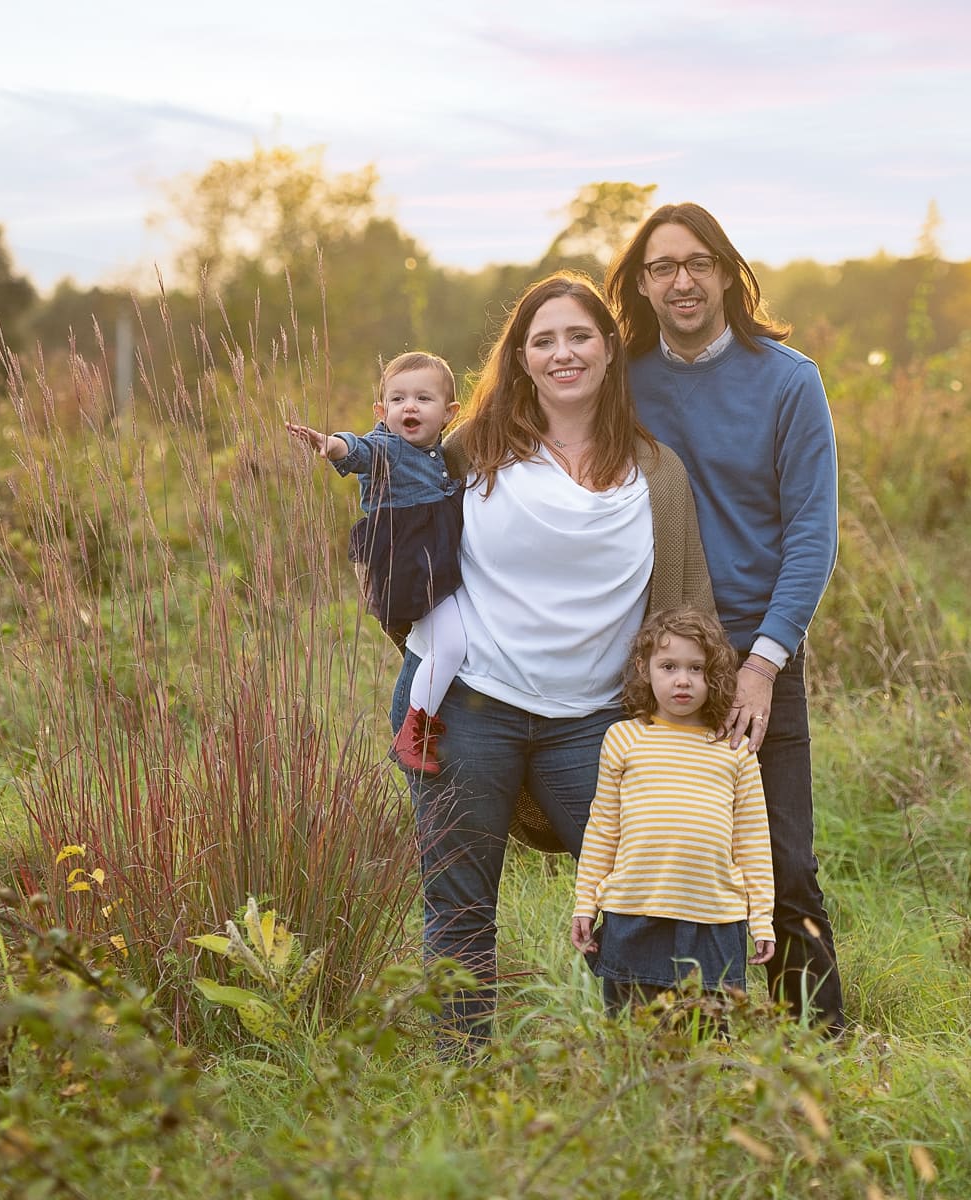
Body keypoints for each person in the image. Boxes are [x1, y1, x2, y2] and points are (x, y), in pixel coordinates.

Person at [391, 272, 715, 1046]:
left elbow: (686, 606)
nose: (562, 353)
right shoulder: (473, 449)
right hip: (468, 708)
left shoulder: (657, 473)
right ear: (522, 359)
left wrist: (694, 721)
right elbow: (402, 537)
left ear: (609, 351)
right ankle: (459, 1083)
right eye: (543, 341)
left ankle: (651, 1068)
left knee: (640, 891)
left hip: (594, 725)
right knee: (460, 905)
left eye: (579, 337)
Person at [605, 203, 846, 1033]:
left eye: (698, 263)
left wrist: (764, 662)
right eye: (663, 266)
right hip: (658, 655)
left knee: (780, 858)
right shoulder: (621, 378)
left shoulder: (789, 379)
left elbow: (813, 538)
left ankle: (823, 1050)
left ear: (727, 273)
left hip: (754, 650)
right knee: (660, 857)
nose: (681, 280)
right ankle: (670, 1044)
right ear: (641, 283)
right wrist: (392, 449)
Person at [571, 607, 774, 1017]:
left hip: (714, 917)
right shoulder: (624, 738)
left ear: (714, 676)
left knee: (706, 1033)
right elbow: (603, 829)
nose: (682, 679)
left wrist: (763, 919)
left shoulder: (733, 749)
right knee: (631, 1031)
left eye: (696, 668)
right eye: (668, 666)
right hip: (634, 910)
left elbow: (752, 840)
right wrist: (585, 903)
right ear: (645, 670)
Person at [286, 350, 466, 775]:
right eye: (398, 399)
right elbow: (361, 450)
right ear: (381, 411)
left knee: (446, 640)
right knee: (450, 644)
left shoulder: (439, 452)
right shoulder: (390, 448)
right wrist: (332, 445)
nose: (410, 407)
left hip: (433, 563)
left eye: (423, 398)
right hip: (411, 567)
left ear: (449, 414)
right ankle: (415, 731)